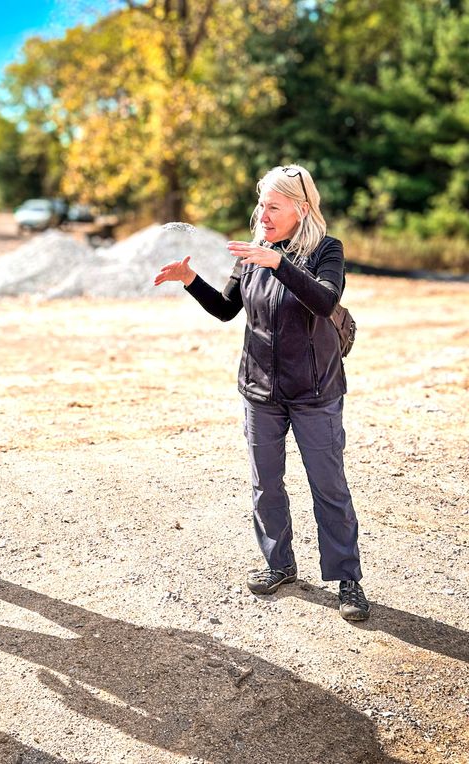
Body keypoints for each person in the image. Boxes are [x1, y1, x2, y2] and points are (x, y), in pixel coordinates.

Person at [154, 164, 370, 622]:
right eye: (261, 204)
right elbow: (227, 310)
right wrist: (190, 282)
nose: (263, 213)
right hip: (260, 391)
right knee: (265, 484)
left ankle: (347, 578)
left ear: (301, 208)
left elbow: (326, 301)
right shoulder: (254, 252)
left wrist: (281, 264)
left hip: (315, 392)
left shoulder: (327, 250)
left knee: (328, 487)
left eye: (273, 206)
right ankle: (279, 564)